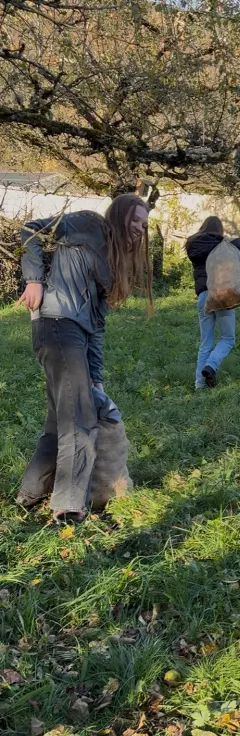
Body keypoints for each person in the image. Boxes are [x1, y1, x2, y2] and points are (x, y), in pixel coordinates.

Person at [16, 194, 151, 523]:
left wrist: (96, 375)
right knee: (80, 418)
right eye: (136, 219)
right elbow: (29, 230)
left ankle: (30, 494)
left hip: (77, 335)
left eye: (145, 225)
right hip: (57, 324)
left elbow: (98, 327)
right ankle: (69, 505)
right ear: (120, 214)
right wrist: (33, 279)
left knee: (60, 418)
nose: (140, 228)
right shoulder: (88, 222)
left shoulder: (114, 260)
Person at [185, 216, 240, 389]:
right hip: (223, 295)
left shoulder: (194, 245)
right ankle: (211, 366)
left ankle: (199, 385)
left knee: (205, 342)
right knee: (228, 338)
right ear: (219, 230)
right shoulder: (224, 244)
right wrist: (232, 240)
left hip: (203, 296)